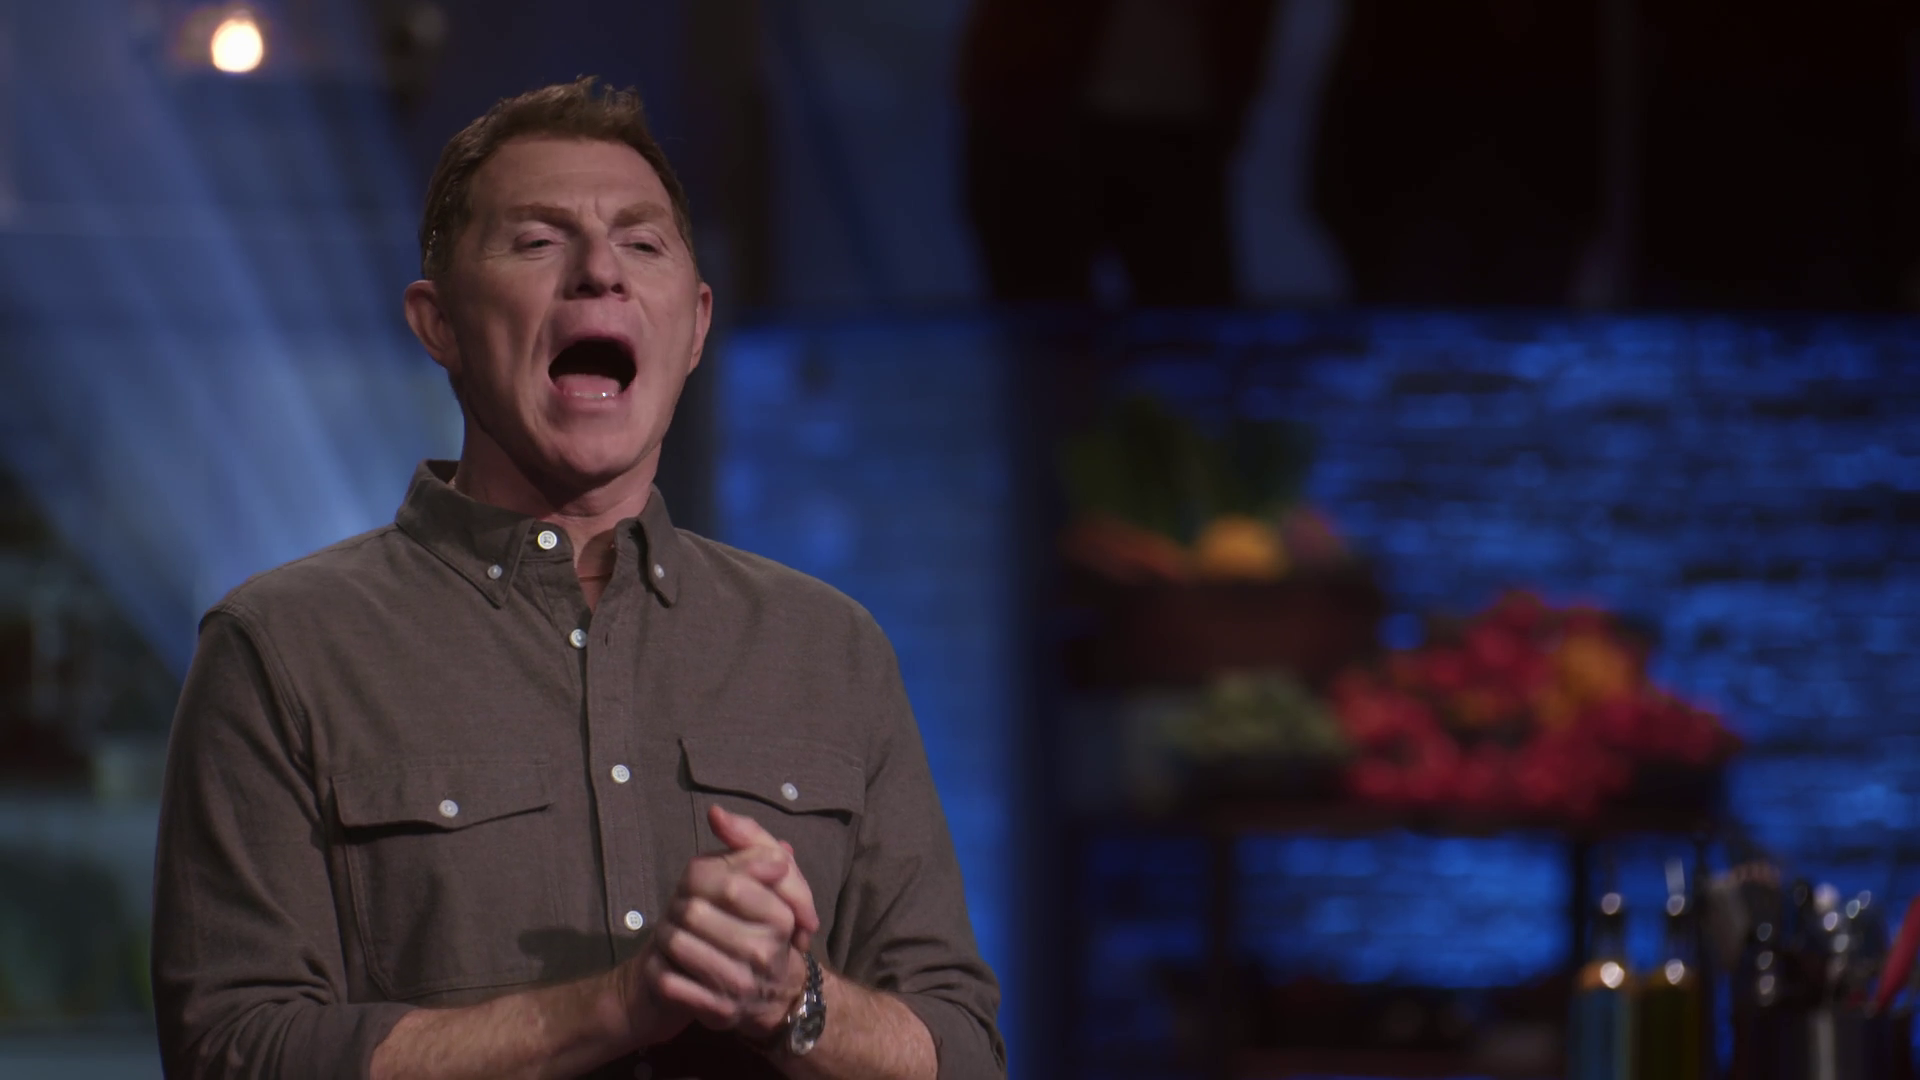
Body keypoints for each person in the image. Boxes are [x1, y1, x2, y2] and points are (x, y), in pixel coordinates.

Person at [150, 77, 1004, 1080]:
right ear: (439, 323)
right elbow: (232, 1051)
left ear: (694, 326)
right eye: (537, 242)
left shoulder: (830, 648)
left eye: (642, 244)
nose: (600, 272)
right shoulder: (282, 648)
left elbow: (961, 1050)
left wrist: (790, 998)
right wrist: (615, 1007)